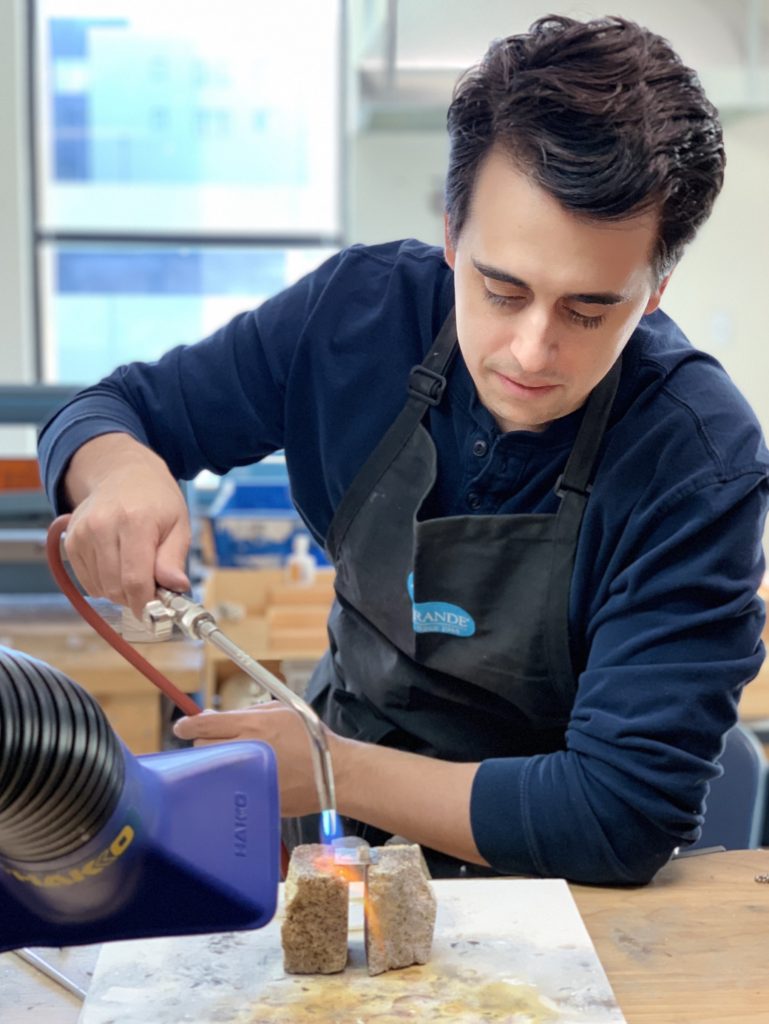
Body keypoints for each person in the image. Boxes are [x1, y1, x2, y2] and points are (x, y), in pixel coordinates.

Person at [39, 15, 769, 885]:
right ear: (452, 234)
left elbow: (617, 818)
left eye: (587, 310)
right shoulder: (354, 318)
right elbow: (111, 408)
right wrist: (119, 467)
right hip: (334, 836)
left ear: (655, 289)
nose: (531, 352)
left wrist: (333, 767)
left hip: (553, 878)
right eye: (500, 290)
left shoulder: (697, 457)